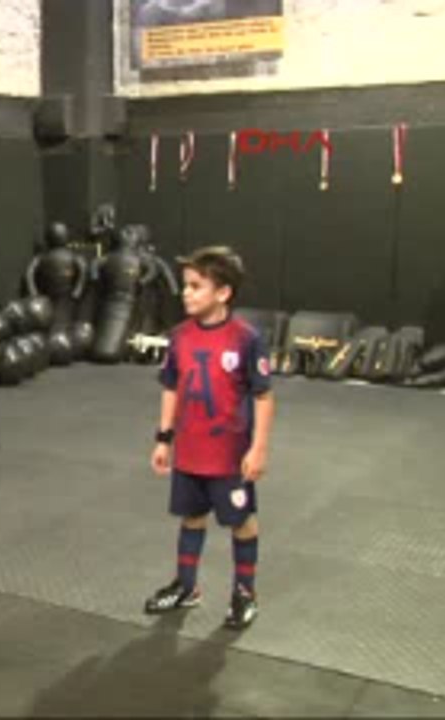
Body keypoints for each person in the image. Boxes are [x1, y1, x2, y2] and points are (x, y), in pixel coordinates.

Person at [144, 246, 274, 629]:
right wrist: (164, 438)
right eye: (185, 285)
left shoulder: (246, 339)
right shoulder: (179, 337)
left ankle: (245, 593)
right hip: (190, 450)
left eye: (196, 286)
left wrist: (258, 448)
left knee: (241, 521)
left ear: (223, 293)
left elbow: (263, 397)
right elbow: (171, 388)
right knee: (191, 516)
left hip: (229, 455)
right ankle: (186, 587)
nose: (185, 293)